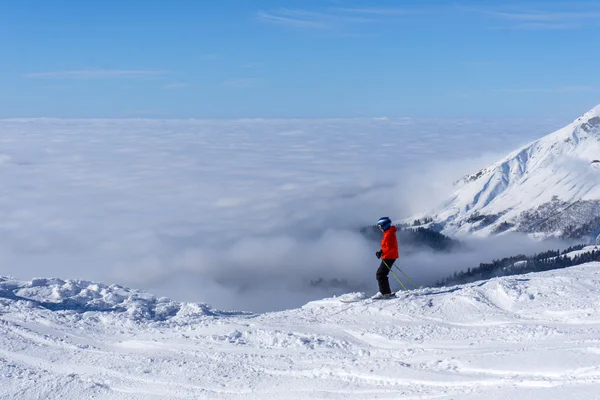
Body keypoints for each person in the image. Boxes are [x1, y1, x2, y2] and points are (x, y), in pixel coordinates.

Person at [375, 217, 399, 298]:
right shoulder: (388, 233)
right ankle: (385, 292)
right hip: (389, 256)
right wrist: (381, 251)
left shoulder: (389, 234)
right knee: (381, 274)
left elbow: (390, 248)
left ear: (384, 226)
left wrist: (381, 253)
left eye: (380, 227)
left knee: (381, 274)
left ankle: (385, 293)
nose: (380, 229)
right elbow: (387, 246)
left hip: (389, 256)